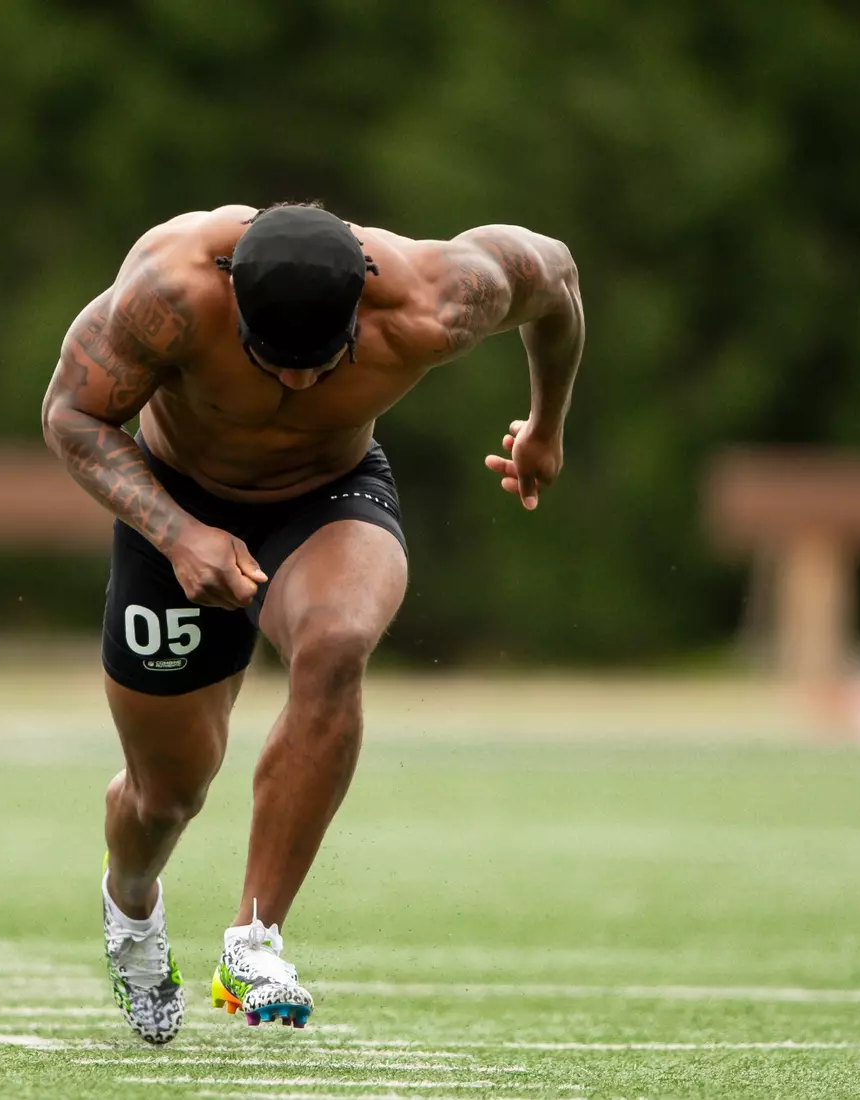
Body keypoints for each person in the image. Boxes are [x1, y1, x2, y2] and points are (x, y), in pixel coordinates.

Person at [41, 202, 584, 1044]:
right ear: (232, 301)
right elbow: (71, 415)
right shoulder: (170, 290)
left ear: (362, 308)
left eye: (322, 365)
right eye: (270, 360)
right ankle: (132, 906)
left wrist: (546, 426)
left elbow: (558, 279)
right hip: (174, 503)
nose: (295, 385)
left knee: (336, 645)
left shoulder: (436, 297)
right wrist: (178, 534)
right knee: (167, 795)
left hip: (328, 493)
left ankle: (253, 940)